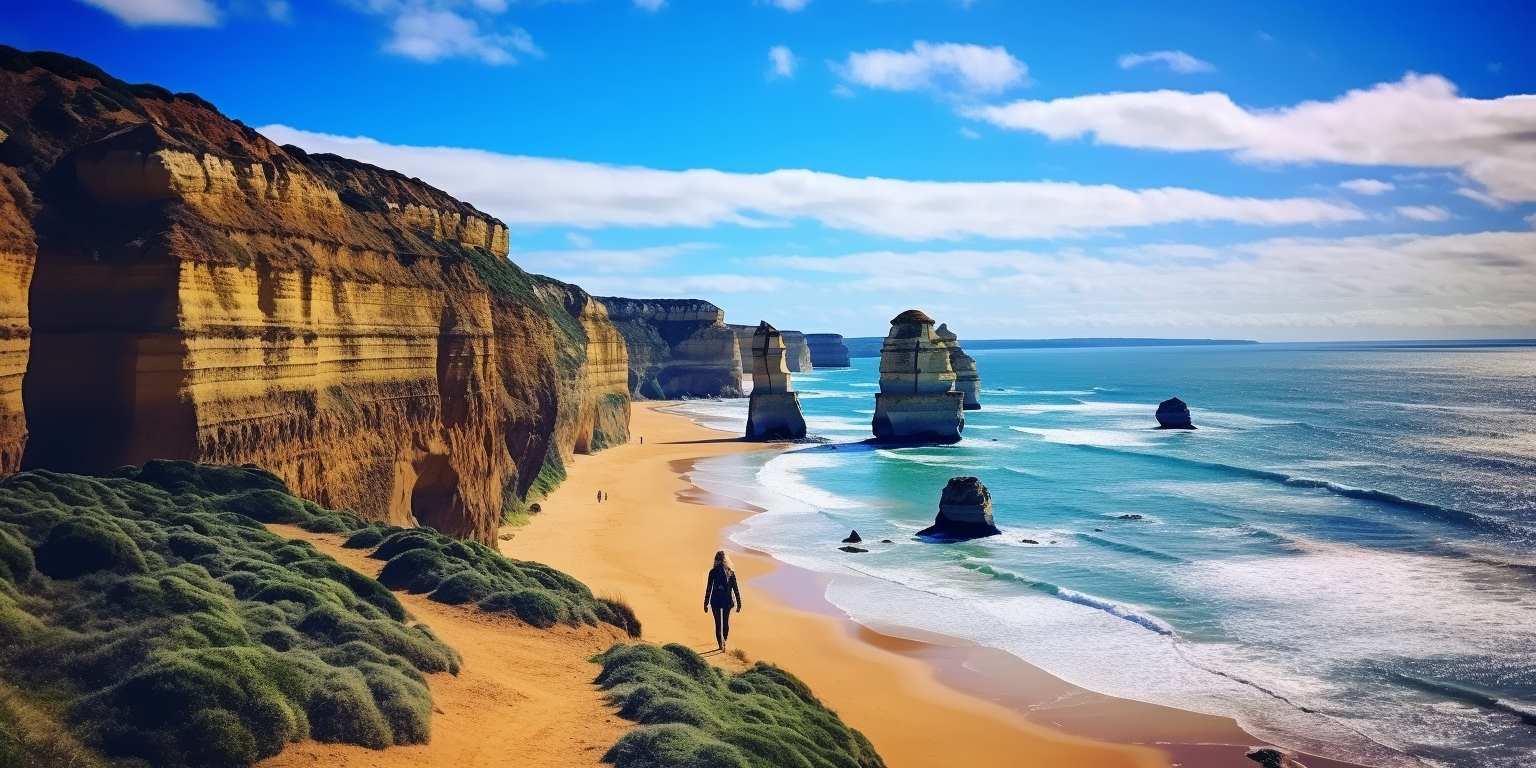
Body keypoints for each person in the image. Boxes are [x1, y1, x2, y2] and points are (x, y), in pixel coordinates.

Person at [702, 550, 741, 651]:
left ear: (716, 560)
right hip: (727, 601)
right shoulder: (730, 572)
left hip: (715, 601)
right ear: (725, 560)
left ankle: (720, 645)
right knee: (725, 622)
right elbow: (735, 589)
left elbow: (709, 588)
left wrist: (705, 603)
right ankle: (725, 640)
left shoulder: (713, 572)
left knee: (718, 624)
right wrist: (739, 603)